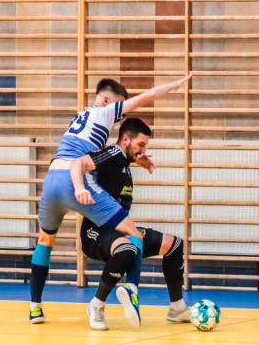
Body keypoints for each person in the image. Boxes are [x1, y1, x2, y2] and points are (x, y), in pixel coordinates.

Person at [29, 74, 192, 326]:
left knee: (44, 241)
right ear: (106, 100)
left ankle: (35, 308)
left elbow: (109, 156)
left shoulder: (80, 118)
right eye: (118, 110)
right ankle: (131, 290)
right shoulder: (103, 112)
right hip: (73, 178)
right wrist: (175, 85)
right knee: (133, 234)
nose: (119, 118)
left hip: (51, 180)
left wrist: (138, 159)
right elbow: (148, 97)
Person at [70, 118, 191, 330]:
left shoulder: (122, 160)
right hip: (96, 232)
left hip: (120, 231)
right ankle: (96, 306)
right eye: (140, 145)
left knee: (174, 244)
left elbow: (116, 164)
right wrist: (80, 188)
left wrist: (136, 159)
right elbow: (78, 163)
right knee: (129, 248)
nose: (143, 150)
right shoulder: (115, 154)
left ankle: (177, 307)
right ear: (125, 139)